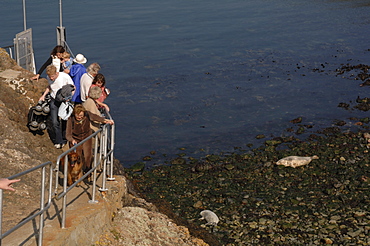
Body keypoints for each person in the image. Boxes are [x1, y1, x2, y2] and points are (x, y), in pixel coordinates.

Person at [66, 105, 114, 171]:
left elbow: (96, 117)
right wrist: (72, 140)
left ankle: (88, 170)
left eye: (81, 115)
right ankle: (76, 172)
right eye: (77, 115)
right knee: (77, 156)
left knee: (88, 155)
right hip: (75, 139)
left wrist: (105, 121)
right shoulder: (70, 119)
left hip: (86, 137)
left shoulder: (87, 114)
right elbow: (68, 134)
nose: (79, 117)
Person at [39, 65, 75, 149]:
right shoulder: (48, 77)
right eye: (50, 76)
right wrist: (43, 95)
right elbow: (49, 86)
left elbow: (73, 88)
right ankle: (59, 141)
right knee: (54, 121)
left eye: (52, 76)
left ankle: (64, 137)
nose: (51, 78)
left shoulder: (64, 77)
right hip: (54, 100)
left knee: (64, 119)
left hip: (64, 101)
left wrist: (69, 98)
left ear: (56, 73)